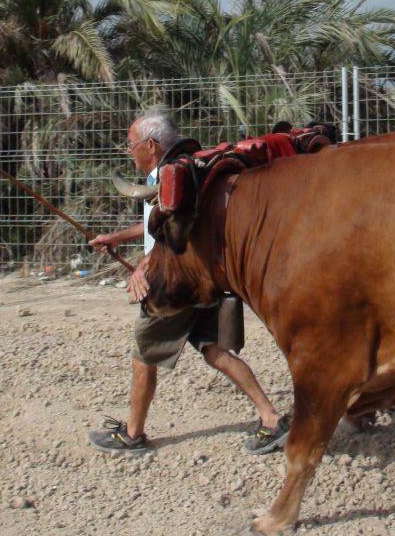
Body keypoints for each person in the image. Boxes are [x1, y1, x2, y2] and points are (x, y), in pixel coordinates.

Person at [87, 109, 289, 455]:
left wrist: (144, 269)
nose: (128, 150)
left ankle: (132, 434)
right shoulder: (185, 174)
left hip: (174, 285)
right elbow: (158, 227)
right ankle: (270, 418)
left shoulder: (170, 179)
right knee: (215, 352)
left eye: (130, 144)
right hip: (202, 282)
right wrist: (119, 237)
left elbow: (174, 239)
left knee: (143, 356)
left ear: (150, 145)